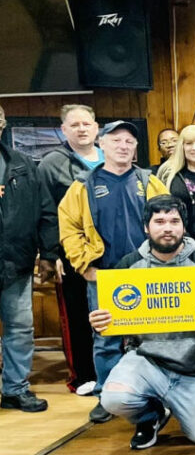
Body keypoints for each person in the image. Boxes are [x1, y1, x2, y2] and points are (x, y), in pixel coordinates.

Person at [88, 196, 195, 449]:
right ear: (146, 227)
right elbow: (113, 317)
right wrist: (100, 321)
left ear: (183, 226)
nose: (167, 227)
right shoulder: (128, 265)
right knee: (112, 399)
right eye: (159, 221)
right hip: (146, 361)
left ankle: (182, 403)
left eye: (174, 221)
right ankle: (150, 416)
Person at [58, 120, 169, 423]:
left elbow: (168, 222)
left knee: (153, 338)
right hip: (104, 275)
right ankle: (106, 395)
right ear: (102, 144)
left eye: (129, 142)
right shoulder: (83, 186)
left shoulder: (149, 182)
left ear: (135, 149)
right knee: (105, 338)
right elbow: (69, 229)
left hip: (147, 272)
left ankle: (154, 394)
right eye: (116, 140)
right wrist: (85, 266)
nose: (123, 146)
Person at [0, 103, 62, 413]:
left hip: (17, 263)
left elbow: (46, 212)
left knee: (20, 328)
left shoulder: (22, 163)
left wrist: (49, 254)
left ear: (2, 123)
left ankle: (14, 389)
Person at [39, 104, 104, 394]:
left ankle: (114, 374)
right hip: (72, 253)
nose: (81, 129)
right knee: (78, 316)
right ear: (64, 130)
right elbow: (46, 211)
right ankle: (83, 376)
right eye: (74, 125)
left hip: (111, 253)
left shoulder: (110, 156)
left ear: (96, 127)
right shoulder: (51, 163)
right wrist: (52, 252)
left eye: (86, 123)